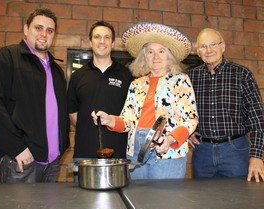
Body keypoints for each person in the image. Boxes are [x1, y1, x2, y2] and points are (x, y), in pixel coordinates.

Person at [91, 22, 198, 179]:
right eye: (150, 52)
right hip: (135, 151)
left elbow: (191, 119)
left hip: (168, 152)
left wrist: (170, 139)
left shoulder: (180, 81)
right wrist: (109, 120)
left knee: (165, 202)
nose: (155, 57)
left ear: (169, 56)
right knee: (138, 200)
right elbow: (127, 121)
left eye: (161, 51)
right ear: (144, 57)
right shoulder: (136, 84)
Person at [0, 8, 70, 183]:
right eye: (38, 28)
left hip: (52, 163)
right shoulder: (5, 58)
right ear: (26, 29)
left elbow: (60, 112)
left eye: (50, 30)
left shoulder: (57, 71)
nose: (44, 34)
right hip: (21, 162)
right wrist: (17, 148)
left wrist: (61, 146)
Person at [187, 28, 264, 182]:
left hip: (235, 150)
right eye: (203, 46)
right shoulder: (190, 77)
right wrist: (187, 131)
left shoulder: (242, 74)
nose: (208, 50)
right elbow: (181, 112)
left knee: (239, 201)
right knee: (203, 202)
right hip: (203, 152)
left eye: (213, 44)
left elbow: (257, 118)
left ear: (223, 46)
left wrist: (257, 155)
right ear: (198, 51)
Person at [67, 21, 134, 160]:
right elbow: (72, 113)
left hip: (118, 155)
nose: (102, 41)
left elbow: (132, 114)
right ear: (90, 42)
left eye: (107, 37)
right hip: (84, 154)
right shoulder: (77, 76)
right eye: (97, 37)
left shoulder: (127, 75)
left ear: (113, 43)